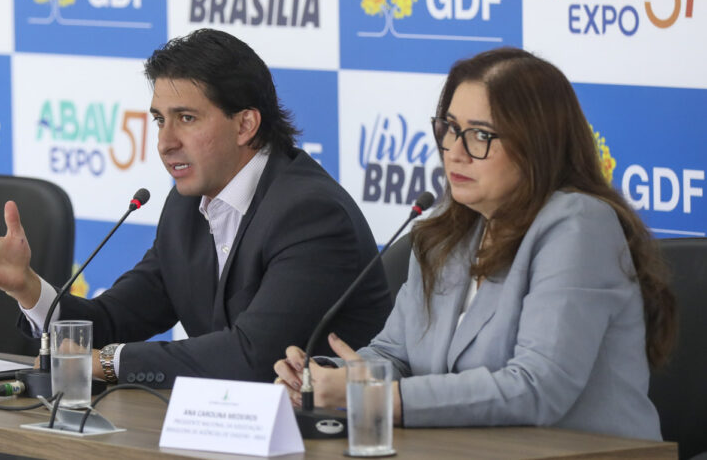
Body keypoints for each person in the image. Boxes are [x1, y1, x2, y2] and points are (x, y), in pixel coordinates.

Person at [274, 47, 676, 440]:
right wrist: (325, 377)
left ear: (537, 143)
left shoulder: (579, 226)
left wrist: (378, 397)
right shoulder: (445, 235)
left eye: (480, 135)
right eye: (449, 129)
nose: (455, 152)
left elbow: (537, 388)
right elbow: (396, 357)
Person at [0, 28, 391, 388]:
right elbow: (114, 319)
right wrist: (30, 288)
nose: (165, 142)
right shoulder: (187, 206)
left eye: (186, 118)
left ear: (245, 124)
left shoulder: (310, 214)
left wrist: (109, 363)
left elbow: (255, 358)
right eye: (159, 119)